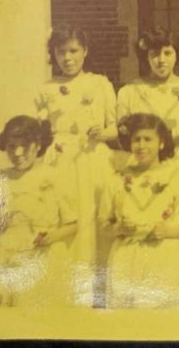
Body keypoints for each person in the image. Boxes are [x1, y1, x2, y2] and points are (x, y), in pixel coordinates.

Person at [116, 27, 179, 306]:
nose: (160, 60)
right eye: (154, 53)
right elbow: (125, 139)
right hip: (146, 164)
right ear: (145, 56)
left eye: (167, 53)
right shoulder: (130, 91)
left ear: (177, 55)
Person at [35, 25, 117, 305]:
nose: (67, 58)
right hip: (59, 159)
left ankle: (98, 291)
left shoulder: (100, 84)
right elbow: (39, 131)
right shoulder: (45, 90)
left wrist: (103, 133)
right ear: (54, 54)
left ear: (85, 52)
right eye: (61, 52)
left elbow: (115, 128)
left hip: (92, 157)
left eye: (73, 51)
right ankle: (68, 289)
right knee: (66, 219)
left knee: (93, 218)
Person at [100, 113, 179, 309]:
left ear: (161, 143)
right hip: (127, 259)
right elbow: (104, 225)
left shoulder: (177, 176)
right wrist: (120, 228)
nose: (141, 145)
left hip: (166, 256)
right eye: (136, 139)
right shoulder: (116, 179)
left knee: (167, 324)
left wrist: (169, 231)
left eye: (148, 139)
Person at [0, 115, 77, 306]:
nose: (18, 152)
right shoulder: (0, 178)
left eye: (25, 145)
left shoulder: (54, 177)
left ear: (38, 145)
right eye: (11, 146)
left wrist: (51, 236)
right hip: (7, 257)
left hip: (42, 257)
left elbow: (73, 224)